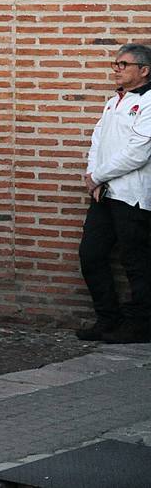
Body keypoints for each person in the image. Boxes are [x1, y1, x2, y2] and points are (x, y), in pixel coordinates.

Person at [78, 43, 151, 344]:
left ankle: (141, 326)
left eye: (124, 64)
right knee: (91, 255)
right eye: (116, 64)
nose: (116, 69)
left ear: (144, 71)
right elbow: (98, 140)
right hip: (105, 194)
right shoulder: (113, 102)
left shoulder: (149, 102)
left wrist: (98, 175)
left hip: (133, 196)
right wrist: (93, 177)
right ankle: (108, 319)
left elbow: (139, 152)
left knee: (136, 263)